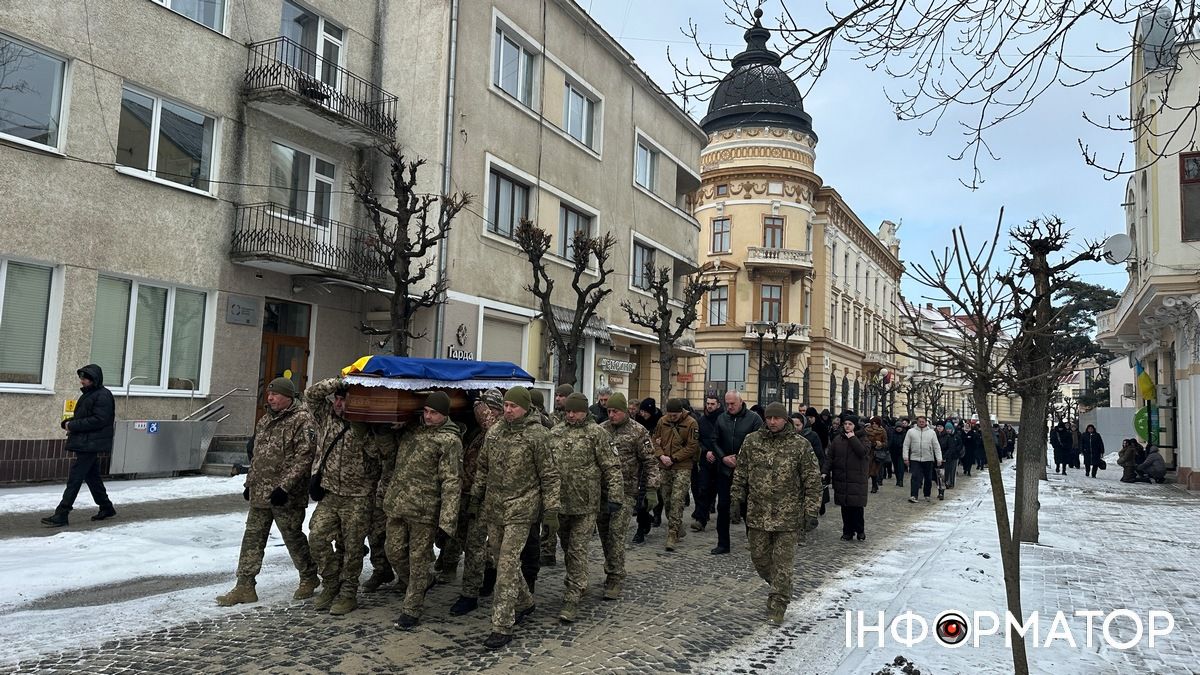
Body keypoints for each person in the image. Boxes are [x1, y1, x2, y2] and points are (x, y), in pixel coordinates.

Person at [470, 386, 561, 650]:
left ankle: (502, 625)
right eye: (506, 405)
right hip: (495, 508)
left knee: (508, 565)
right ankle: (526, 601)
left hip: (522, 509)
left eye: (513, 406)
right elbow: (483, 467)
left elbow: (550, 476)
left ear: (525, 408)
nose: (508, 410)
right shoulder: (495, 431)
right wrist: (476, 498)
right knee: (500, 559)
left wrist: (551, 510)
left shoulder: (538, 436)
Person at [216, 377, 319, 607]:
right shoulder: (265, 421)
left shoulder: (302, 420)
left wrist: (284, 487)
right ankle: (245, 585)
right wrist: (249, 484)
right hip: (260, 492)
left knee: (292, 537)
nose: (270, 398)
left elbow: (304, 458)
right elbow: (258, 456)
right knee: (252, 537)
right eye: (269, 394)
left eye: (275, 394)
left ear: (288, 397)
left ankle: (309, 576)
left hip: (286, 495)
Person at [731, 402, 821, 623]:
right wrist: (735, 498)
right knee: (760, 559)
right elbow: (741, 472)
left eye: (776, 418)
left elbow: (812, 480)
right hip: (758, 513)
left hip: (788, 516)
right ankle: (783, 586)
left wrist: (811, 511)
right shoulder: (752, 442)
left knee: (783, 563)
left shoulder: (800, 445)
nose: (772, 422)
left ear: (785, 420)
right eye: (769, 418)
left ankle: (777, 605)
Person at [303, 377, 383, 616]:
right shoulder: (326, 416)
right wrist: (341, 381)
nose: (338, 403)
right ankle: (330, 583)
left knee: (352, 547)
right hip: (330, 493)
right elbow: (311, 394)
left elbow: (378, 454)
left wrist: (361, 430)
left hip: (358, 495)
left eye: (343, 399)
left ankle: (348, 592)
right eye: (337, 399)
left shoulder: (366, 423)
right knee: (317, 536)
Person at [385, 392, 462, 630]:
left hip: (424, 509)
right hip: (398, 504)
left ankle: (412, 608)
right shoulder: (412, 431)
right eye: (426, 412)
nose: (428, 417)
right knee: (394, 552)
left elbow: (452, 482)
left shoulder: (449, 441)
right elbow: (389, 452)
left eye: (434, 413)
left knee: (418, 560)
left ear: (445, 415)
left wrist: (446, 522)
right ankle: (423, 582)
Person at [548, 393, 623, 622]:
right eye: (568, 411)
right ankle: (579, 583)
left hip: (586, 504)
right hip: (561, 504)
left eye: (575, 411)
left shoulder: (597, 434)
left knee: (577, 549)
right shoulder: (555, 433)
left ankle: (571, 597)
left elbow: (612, 467)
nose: (570, 415)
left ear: (584, 411)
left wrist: (615, 496)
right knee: (567, 546)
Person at [446, 389, 504, 616]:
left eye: (486, 407)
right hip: (463, 492)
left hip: (484, 496)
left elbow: (489, 424)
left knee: (474, 545)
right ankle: (488, 570)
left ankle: (470, 594)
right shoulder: (474, 430)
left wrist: (477, 401)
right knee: (460, 537)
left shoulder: (496, 429)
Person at [598, 392, 660, 600]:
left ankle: (615, 577)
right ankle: (611, 567)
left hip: (627, 492)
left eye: (616, 411)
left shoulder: (638, 432)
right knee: (605, 534)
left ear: (625, 411)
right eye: (609, 411)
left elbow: (650, 462)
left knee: (616, 534)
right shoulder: (601, 430)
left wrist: (651, 489)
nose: (612, 415)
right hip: (603, 493)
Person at [42, 364, 117, 528]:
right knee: (92, 477)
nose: (81, 381)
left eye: (84, 379)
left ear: (93, 379)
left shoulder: (102, 396)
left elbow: (99, 420)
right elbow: (87, 417)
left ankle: (62, 513)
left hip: (91, 443)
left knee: (75, 478)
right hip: (87, 442)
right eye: (81, 378)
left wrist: (73, 425)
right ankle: (106, 507)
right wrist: (69, 423)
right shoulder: (91, 394)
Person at [710, 391, 763, 555]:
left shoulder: (754, 419)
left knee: (748, 508)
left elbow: (759, 445)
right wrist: (723, 457)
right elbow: (714, 440)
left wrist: (739, 458)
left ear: (741, 402)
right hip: (725, 470)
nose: (730, 407)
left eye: (733, 403)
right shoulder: (722, 418)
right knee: (723, 506)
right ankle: (723, 543)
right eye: (727, 404)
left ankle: (754, 543)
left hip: (747, 472)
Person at [652, 398, 700, 551]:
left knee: (677, 499)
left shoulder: (691, 423)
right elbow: (654, 441)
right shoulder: (662, 421)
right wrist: (661, 456)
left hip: (682, 466)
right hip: (664, 465)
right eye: (670, 415)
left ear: (681, 412)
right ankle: (677, 527)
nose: (672, 417)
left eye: (675, 415)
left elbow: (692, 446)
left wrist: (674, 458)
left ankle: (672, 534)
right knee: (666, 500)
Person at [825, 414, 869, 540]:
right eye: (845, 424)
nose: (847, 426)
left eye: (850, 424)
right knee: (845, 508)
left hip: (857, 479)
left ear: (855, 426)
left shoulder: (863, 438)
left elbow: (862, 452)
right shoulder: (838, 439)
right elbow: (830, 457)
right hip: (842, 478)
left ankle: (860, 530)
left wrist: (853, 438)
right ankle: (847, 531)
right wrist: (825, 471)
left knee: (857, 507)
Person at [692, 395, 722, 533]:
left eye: (712, 403)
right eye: (708, 403)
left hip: (720, 460)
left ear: (718, 405)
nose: (709, 406)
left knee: (718, 490)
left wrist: (716, 453)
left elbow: (724, 439)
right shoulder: (701, 420)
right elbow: (698, 440)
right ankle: (701, 519)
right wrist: (706, 451)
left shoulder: (722, 419)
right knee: (702, 488)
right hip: (705, 459)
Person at [902, 416, 941, 504]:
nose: (921, 423)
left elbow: (936, 446)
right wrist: (905, 457)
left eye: (923, 421)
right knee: (915, 477)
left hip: (928, 458)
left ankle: (927, 494)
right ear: (917, 422)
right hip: (915, 458)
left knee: (928, 478)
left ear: (926, 422)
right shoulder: (911, 432)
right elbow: (906, 445)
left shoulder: (931, 433)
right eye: (920, 421)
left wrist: (939, 458)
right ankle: (914, 495)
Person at [865, 417, 888, 494]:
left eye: (876, 423)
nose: (874, 425)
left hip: (877, 453)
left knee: (874, 471)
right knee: (867, 470)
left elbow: (885, 442)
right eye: (873, 423)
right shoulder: (866, 430)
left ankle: (874, 486)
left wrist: (881, 444)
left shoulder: (882, 431)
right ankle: (872, 485)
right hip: (868, 453)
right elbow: (863, 440)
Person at [942, 420, 964, 490]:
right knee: (947, 470)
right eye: (947, 429)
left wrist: (956, 450)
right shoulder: (946, 436)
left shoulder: (956, 436)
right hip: (947, 455)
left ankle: (952, 483)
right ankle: (946, 482)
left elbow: (960, 445)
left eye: (949, 429)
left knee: (953, 470)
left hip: (954, 456)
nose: (948, 430)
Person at [889, 418, 909, 486]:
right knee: (896, 467)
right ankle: (898, 479)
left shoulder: (905, 434)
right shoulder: (892, 433)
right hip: (894, 452)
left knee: (901, 467)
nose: (899, 429)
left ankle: (901, 480)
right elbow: (890, 442)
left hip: (901, 453)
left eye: (900, 427)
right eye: (898, 427)